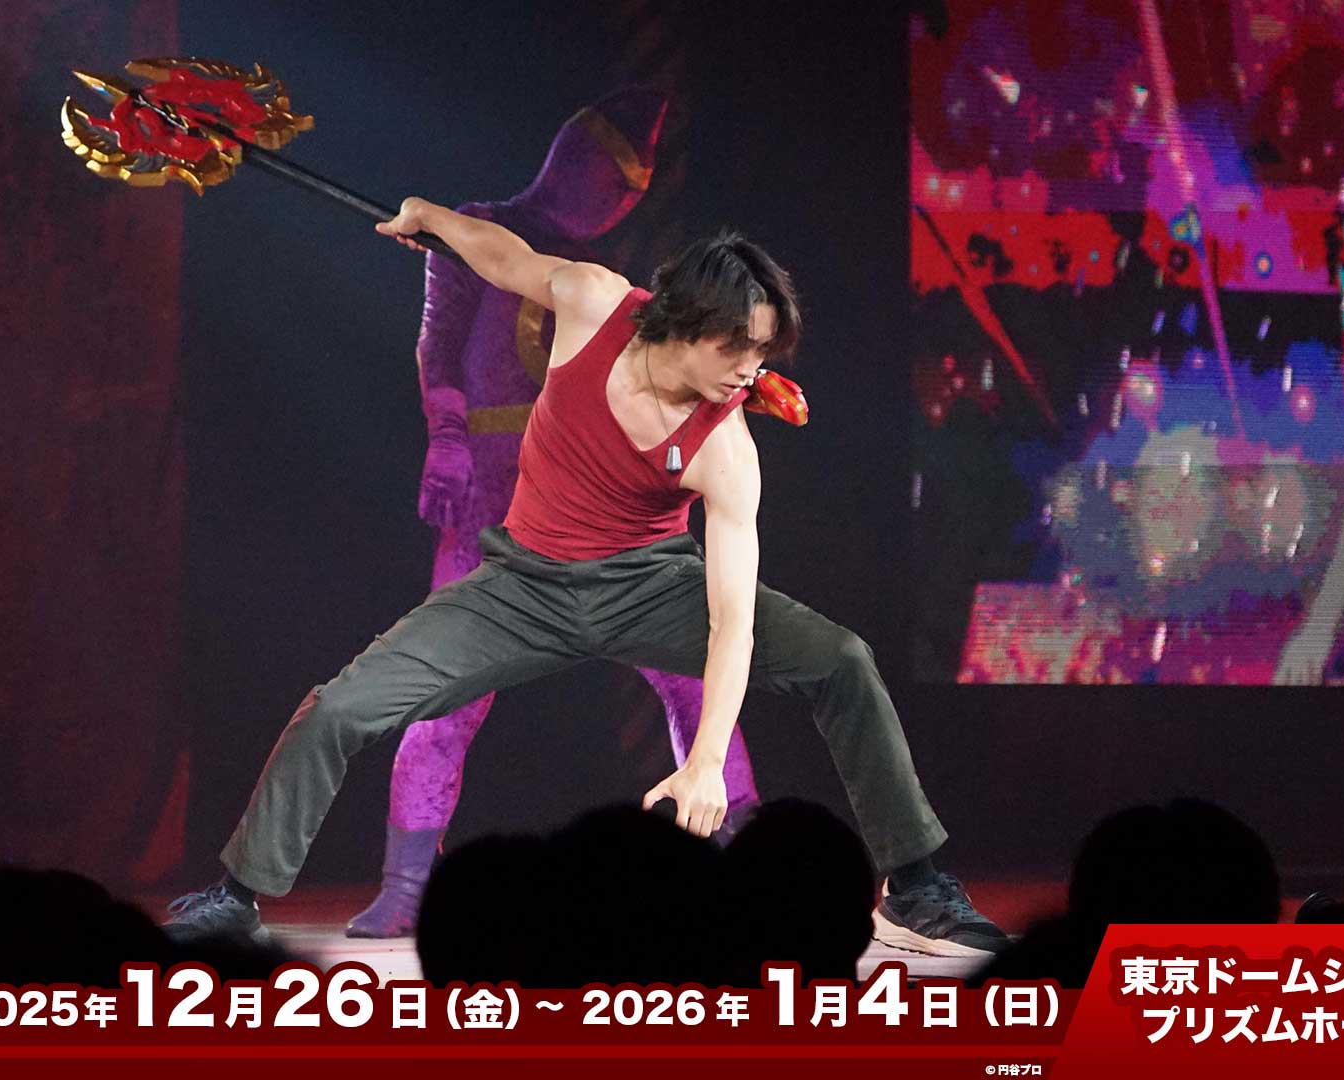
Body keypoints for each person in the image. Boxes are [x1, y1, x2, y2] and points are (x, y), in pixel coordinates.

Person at [165, 200, 1008, 957]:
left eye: (762, 351)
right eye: (735, 346)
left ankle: (915, 887)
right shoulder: (593, 303)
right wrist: (433, 218)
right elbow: (501, 256)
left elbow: (732, 621)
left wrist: (705, 762)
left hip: (651, 588)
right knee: (339, 708)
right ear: (681, 322)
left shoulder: (725, 446)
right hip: (520, 589)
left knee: (844, 660)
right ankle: (237, 895)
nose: (749, 370)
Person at [349, 89, 761, 939]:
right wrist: (447, 436)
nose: (618, 204)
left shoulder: (606, 279)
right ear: (572, 163)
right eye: (612, 182)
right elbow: (440, 342)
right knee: (446, 685)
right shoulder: (486, 232)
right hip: (490, 496)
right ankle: (406, 884)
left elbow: (670, 365)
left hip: (597, 500)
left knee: (690, 675)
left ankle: (747, 861)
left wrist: (743, 382)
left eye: (631, 194)